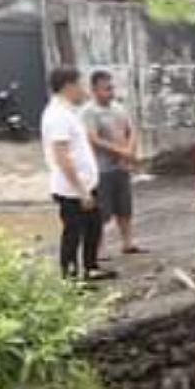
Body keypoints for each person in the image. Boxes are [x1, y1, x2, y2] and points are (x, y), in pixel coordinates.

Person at [41, 66, 115, 281]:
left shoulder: (68, 111)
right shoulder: (57, 115)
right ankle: (70, 278)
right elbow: (62, 156)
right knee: (73, 233)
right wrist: (81, 191)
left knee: (93, 228)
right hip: (71, 189)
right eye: (80, 84)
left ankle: (91, 268)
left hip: (85, 185)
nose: (83, 90)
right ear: (68, 86)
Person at [82, 70, 142, 257]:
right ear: (94, 90)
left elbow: (131, 130)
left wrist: (130, 151)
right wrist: (120, 151)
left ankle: (128, 243)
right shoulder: (89, 112)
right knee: (102, 211)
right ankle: (100, 248)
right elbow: (93, 139)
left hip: (121, 166)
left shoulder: (119, 108)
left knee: (124, 207)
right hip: (101, 169)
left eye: (111, 88)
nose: (111, 92)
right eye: (106, 89)